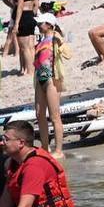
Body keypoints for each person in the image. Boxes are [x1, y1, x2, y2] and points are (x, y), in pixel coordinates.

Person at [33, 14, 65, 158]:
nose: (39, 25)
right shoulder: (40, 40)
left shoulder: (55, 38)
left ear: (49, 25)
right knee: (39, 114)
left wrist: (58, 36)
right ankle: (45, 147)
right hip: (40, 79)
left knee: (54, 116)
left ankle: (59, 150)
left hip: (51, 79)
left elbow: (64, 46)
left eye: (42, 23)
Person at [6, 0, 38, 75]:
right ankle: (33, 68)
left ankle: (30, 70)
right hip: (30, 15)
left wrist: (16, 24)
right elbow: (36, 3)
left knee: (24, 48)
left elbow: (19, 7)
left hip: (23, 16)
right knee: (31, 46)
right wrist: (33, 14)